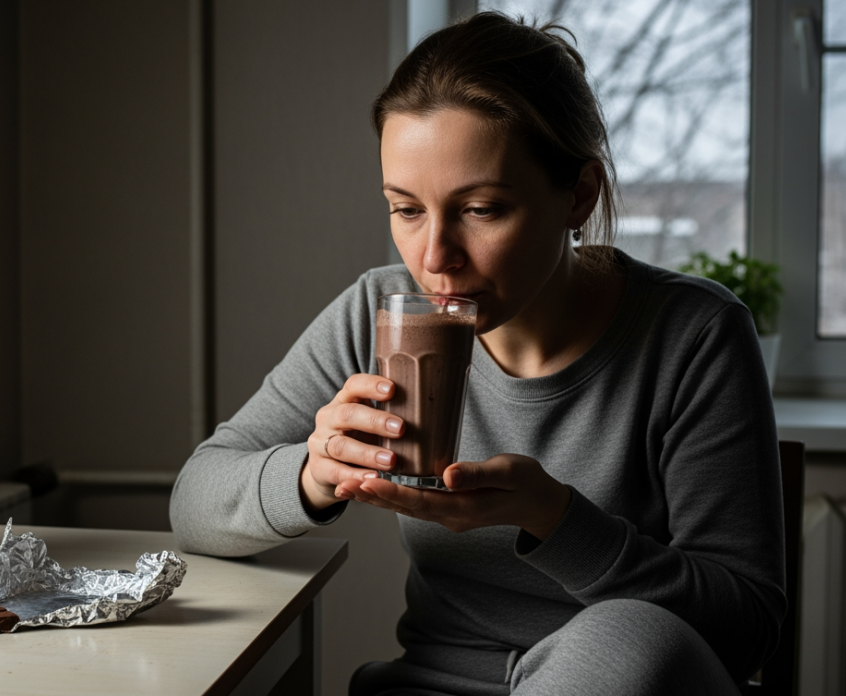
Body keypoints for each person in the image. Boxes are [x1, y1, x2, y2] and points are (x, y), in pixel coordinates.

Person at [169, 11, 784, 696]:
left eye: (481, 209)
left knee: (626, 638)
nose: (434, 258)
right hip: (430, 682)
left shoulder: (692, 336)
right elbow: (196, 499)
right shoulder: (384, 311)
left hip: (621, 681)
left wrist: (554, 517)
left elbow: (747, 628)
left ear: (577, 196)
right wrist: (311, 475)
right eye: (406, 209)